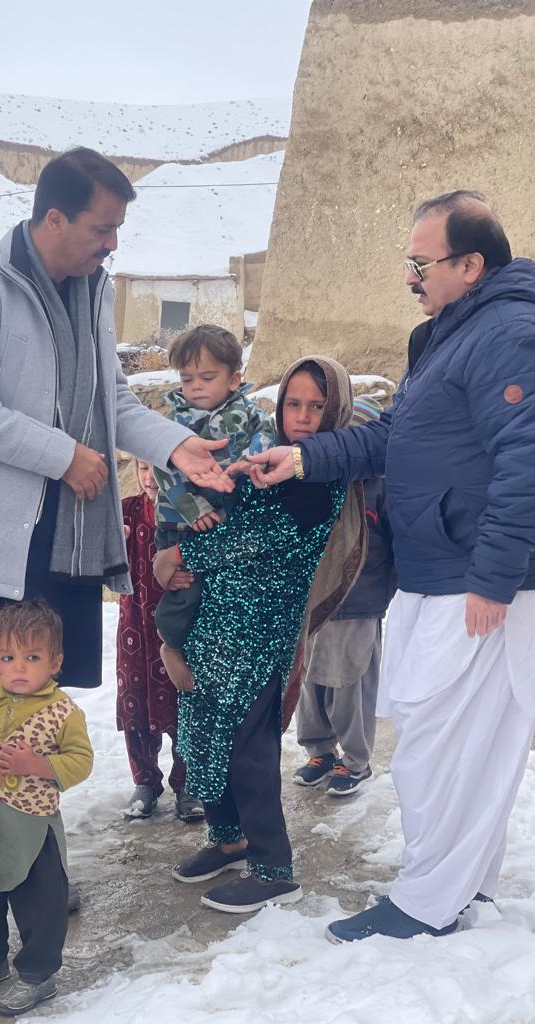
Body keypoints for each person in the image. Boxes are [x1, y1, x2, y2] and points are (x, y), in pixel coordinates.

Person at [0, 147, 231, 852]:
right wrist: (63, 456)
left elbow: (111, 402)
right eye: (102, 229)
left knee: (38, 700)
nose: (113, 245)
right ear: (54, 218)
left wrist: (175, 446)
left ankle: (22, 842)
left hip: (66, 534)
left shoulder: (94, 294)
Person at [237, 191, 535, 942]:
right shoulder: (447, 334)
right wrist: (303, 456)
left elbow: (526, 454)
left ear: (470, 265)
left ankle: (429, 902)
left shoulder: (505, 332)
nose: (410, 276)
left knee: (435, 745)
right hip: (453, 571)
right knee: (463, 744)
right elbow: (394, 436)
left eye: (420, 261)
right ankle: (460, 888)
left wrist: (494, 578)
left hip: (477, 581)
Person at [154, 357, 366, 914]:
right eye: (292, 404)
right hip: (219, 614)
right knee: (202, 727)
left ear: (334, 409)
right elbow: (228, 516)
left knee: (247, 744)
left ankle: (273, 867)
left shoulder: (318, 477)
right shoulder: (267, 456)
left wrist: (181, 553)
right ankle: (229, 839)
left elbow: (257, 541)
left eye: (315, 406)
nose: (301, 417)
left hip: (260, 629)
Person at [0, 599, 92, 1017]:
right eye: (8, 657)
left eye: (32, 657)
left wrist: (38, 765)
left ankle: (37, 974)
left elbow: (81, 761)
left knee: (40, 905)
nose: (19, 668)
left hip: (31, 827)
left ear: (55, 661)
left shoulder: (62, 712)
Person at [152, 324, 276, 691]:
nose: (196, 387)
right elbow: (164, 469)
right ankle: (171, 646)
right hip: (182, 523)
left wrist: (255, 464)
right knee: (185, 590)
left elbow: (265, 440)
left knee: (222, 596)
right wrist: (193, 508)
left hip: (228, 519)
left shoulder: (250, 414)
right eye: (188, 379)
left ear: (234, 378)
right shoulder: (173, 422)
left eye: (207, 377)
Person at [293, 395, 396, 796]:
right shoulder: (318, 481)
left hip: (361, 598)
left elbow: (397, 540)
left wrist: (389, 588)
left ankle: (355, 760)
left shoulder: (380, 486)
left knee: (350, 681)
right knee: (308, 680)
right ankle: (319, 750)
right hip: (315, 599)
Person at [117, 459, 204, 822]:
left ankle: (187, 784)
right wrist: (110, 542)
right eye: (141, 468)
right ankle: (145, 781)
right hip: (135, 624)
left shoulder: (190, 510)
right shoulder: (124, 511)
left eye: (156, 468)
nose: (149, 477)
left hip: (178, 624)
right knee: (136, 702)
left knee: (183, 699)